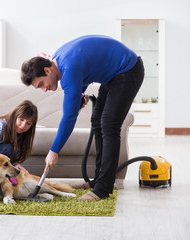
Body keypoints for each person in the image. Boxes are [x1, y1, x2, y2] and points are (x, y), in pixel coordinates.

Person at [21, 35, 144, 201]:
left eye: (41, 84)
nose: (44, 89)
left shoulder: (68, 70)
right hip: (113, 76)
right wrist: (80, 94)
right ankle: (99, 180)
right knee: (97, 121)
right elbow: (85, 69)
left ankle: (103, 189)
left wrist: (54, 150)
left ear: (47, 71)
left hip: (128, 71)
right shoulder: (59, 60)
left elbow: (69, 117)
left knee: (109, 125)